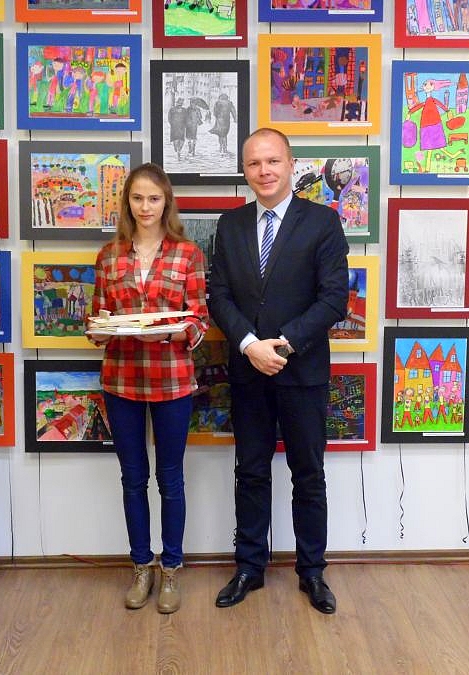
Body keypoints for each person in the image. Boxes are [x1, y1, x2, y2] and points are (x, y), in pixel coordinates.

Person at [208, 128, 349, 614]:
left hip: (302, 371)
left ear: (291, 164)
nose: (263, 171)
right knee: (250, 472)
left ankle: (312, 572)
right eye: (253, 163)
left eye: (272, 161)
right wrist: (250, 345)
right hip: (249, 370)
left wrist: (283, 345)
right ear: (245, 171)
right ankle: (249, 567)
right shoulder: (230, 225)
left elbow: (334, 298)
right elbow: (218, 296)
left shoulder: (323, 222)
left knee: (308, 474)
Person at [89, 163, 209, 614]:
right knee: (133, 478)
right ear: (127, 202)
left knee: (170, 478)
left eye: (153, 198)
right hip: (121, 379)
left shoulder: (187, 254)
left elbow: (199, 319)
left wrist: (175, 331)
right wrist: (99, 329)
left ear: (166, 202)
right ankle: (141, 566)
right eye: (137, 198)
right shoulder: (109, 256)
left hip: (172, 378)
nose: (145, 207)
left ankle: (171, 569)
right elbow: (98, 318)